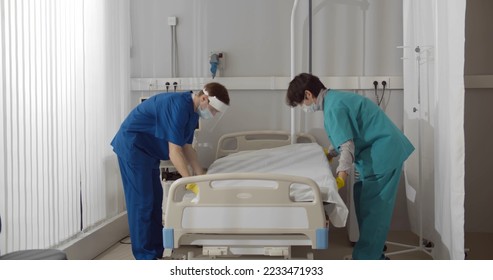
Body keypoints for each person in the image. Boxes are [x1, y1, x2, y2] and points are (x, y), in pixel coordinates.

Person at [286, 73, 414, 260]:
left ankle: (366, 260)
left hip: (384, 155)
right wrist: (329, 153)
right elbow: (346, 135)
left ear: (308, 95)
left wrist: (341, 178)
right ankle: (372, 254)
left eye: (300, 104)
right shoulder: (335, 100)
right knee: (362, 199)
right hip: (377, 153)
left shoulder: (333, 107)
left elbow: (347, 146)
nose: (303, 108)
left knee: (374, 213)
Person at [111, 82, 230, 260]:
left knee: (155, 200)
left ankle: (157, 251)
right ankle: (145, 258)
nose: (212, 115)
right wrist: (189, 181)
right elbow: (174, 151)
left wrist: (201, 177)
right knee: (142, 203)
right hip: (133, 148)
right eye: (213, 110)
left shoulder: (192, 112)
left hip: (148, 153)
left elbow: (187, 147)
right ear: (204, 98)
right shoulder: (179, 106)